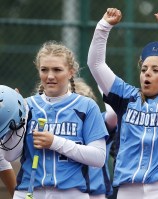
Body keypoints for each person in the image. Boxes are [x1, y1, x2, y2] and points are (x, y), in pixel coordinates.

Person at [88, 6, 158, 199]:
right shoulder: (126, 97)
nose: (147, 73)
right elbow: (96, 64)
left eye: (155, 70)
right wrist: (103, 27)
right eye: (144, 69)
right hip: (128, 190)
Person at [2, 41, 108, 199]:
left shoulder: (86, 106)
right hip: (28, 193)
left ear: (71, 72)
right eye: (44, 69)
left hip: (71, 194)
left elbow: (98, 158)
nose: (50, 76)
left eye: (57, 69)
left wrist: (55, 142)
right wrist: (17, 116)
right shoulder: (26, 105)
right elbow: (9, 156)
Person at [72, 78, 115, 199]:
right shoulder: (61, 125)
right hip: (69, 190)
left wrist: (104, 86)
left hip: (96, 192)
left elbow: (113, 115)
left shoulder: (98, 122)